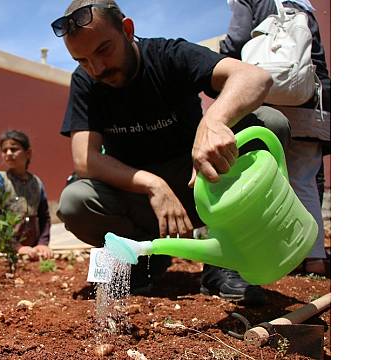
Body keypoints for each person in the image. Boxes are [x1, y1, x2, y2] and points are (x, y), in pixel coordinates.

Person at [52, 0, 291, 306]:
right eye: (82, 60)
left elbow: (254, 78)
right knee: (76, 202)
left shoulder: (168, 55)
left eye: (103, 50)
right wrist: (153, 185)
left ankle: (226, 260)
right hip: (140, 199)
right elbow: (85, 159)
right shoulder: (85, 81)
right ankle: (145, 261)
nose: (96, 69)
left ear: (127, 29)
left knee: (269, 125)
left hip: (202, 184)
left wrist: (213, 121)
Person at [219, 0, 331, 276]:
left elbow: (236, 38)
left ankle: (286, 256)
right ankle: (314, 258)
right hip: (311, 100)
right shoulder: (303, 6)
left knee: (271, 179)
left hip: (269, 98)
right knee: (304, 180)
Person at [0, 130, 53, 261]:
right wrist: (16, 247)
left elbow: (44, 217)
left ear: (28, 153)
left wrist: (42, 243)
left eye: (14, 149)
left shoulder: (37, 182)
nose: (8, 153)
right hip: (4, 252)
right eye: (4, 150)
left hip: (32, 250)